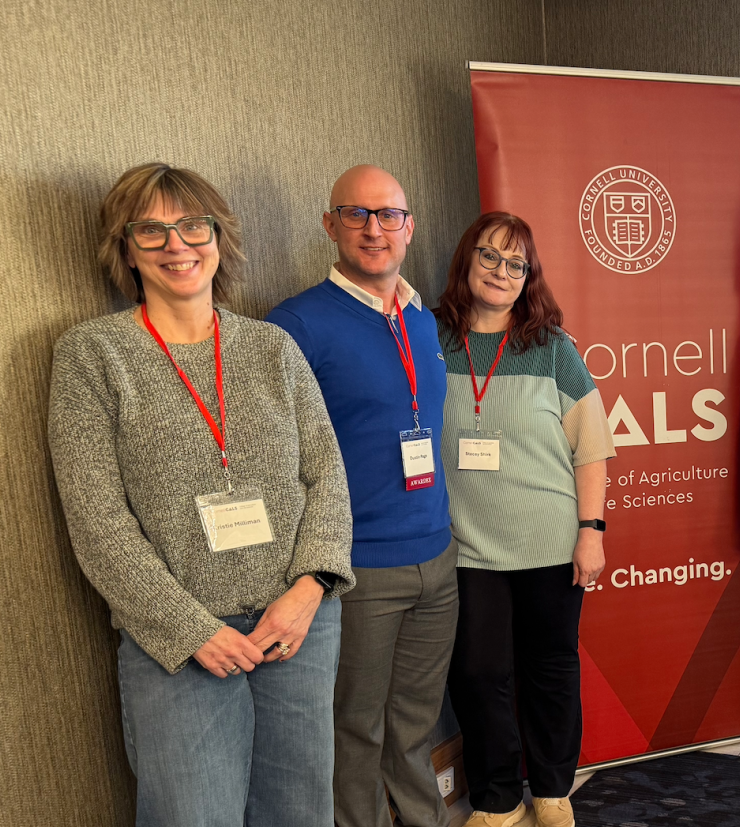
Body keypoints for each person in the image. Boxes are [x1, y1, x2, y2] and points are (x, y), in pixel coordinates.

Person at [48, 163, 354, 825]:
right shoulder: (95, 354)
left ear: (219, 236)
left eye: (192, 225)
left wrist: (308, 593)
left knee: (300, 810)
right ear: (125, 249)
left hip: (295, 628)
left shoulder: (272, 347)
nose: (177, 245)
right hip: (179, 643)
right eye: (150, 231)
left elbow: (327, 475)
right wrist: (191, 630)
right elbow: (97, 519)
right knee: (194, 814)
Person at [266, 166, 457, 827]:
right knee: (356, 727)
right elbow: (279, 461)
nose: (374, 229)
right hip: (358, 567)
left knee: (414, 721)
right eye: (356, 214)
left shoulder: (421, 318)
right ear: (331, 225)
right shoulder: (295, 325)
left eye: (388, 215)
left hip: (437, 555)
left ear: (409, 227)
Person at [435, 212, 615, 827]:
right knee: (479, 673)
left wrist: (591, 532)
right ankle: (496, 797)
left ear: (529, 276)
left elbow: (592, 445)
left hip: (549, 540)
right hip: (467, 545)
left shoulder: (552, 348)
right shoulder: (430, 339)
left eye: (517, 264)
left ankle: (553, 790)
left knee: (550, 668)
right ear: (466, 258)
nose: (502, 272)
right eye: (491, 257)